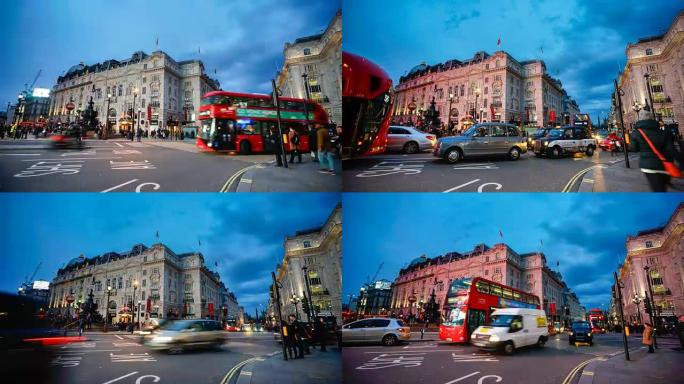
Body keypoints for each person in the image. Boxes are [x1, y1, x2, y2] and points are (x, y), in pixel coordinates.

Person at [629, 109, 680, 192]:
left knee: (659, 191)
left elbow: (634, 149)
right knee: (662, 189)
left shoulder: (636, 133)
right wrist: (681, 162)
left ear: (640, 119)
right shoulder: (662, 132)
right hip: (665, 164)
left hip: (649, 166)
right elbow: (672, 149)